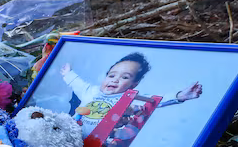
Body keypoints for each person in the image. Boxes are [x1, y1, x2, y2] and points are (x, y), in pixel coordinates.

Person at [59, 52, 202, 137]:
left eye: (125, 77)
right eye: (111, 75)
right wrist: (67, 72)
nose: (115, 80)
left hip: (95, 143)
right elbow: (76, 82)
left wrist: (180, 96)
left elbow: (155, 101)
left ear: (134, 84)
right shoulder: (91, 91)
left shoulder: (128, 98)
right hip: (69, 134)